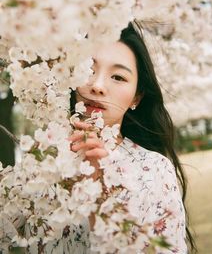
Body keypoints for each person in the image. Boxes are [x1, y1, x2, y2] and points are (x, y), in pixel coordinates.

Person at [27, 21, 195, 253]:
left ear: (136, 97)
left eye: (118, 77)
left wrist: (101, 199)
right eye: (88, 69)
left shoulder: (155, 170)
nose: (97, 86)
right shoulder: (40, 160)